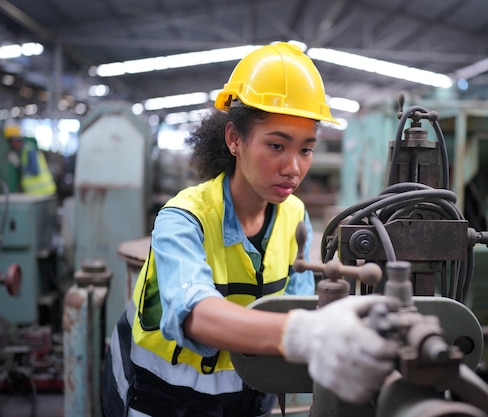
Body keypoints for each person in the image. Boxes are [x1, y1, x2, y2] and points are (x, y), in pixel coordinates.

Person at [101, 42, 400, 417]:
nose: (293, 167)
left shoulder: (294, 216)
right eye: (276, 145)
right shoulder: (183, 217)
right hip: (157, 399)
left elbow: (298, 305)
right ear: (234, 140)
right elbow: (195, 314)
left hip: (248, 400)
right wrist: (308, 334)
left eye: (306, 150)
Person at [4, 124, 57, 195]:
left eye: (11, 142)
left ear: (15, 141)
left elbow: (35, 170)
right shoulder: (22, 152)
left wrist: (19, 165)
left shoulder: (29, 150)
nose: (11, 145)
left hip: (43, 191)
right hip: (34, 193)